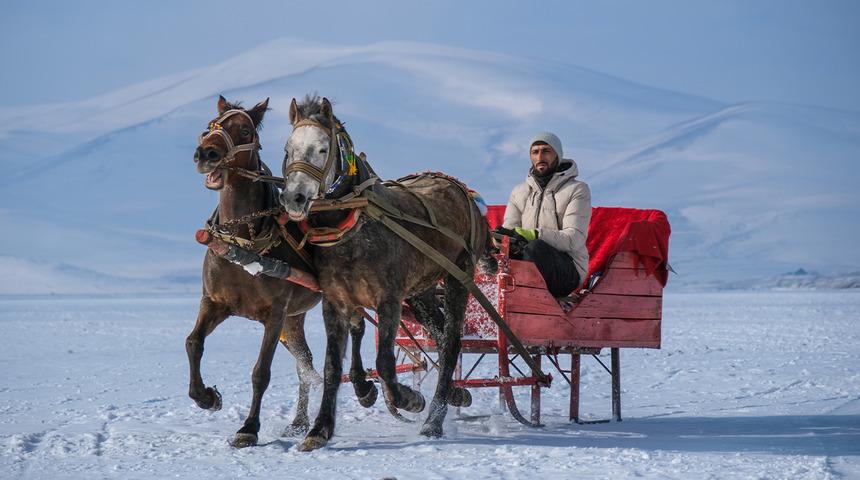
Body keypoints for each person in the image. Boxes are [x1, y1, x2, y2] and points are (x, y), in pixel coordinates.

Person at [497, 132, 591, 297]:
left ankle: (527, 300)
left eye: (546, 151)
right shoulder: (519, 192)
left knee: (536, 248)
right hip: (527, 262)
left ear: (558, 155)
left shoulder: (577, 190)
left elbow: (574, 238)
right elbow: (509, 230)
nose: (540, 156)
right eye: (535, 152)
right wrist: (499, 237)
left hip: (567, 270)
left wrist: (534, 234)